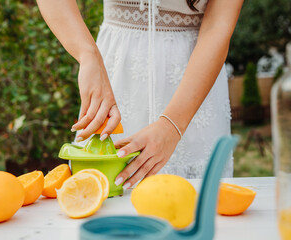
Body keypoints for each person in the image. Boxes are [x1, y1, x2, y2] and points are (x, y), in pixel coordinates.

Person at [36, 0, 243, 190]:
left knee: (192, 207)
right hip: (117, 72)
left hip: (194, 86)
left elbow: (218, 26)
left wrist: (172, 126)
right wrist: (87, 54)